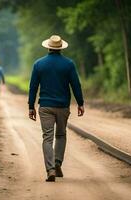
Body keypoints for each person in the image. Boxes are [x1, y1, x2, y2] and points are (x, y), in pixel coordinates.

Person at [28, 35, 85, 182]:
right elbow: (75, 85)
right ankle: (58, 162)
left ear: (48, 47)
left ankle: (50, 170)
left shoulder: (38, 64)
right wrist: (80, 103)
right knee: (60, 135)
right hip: (62, 106)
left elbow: (33, 87)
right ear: (60, 48)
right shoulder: (68, 64)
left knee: (47, 138)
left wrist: (31, 106)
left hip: (45, 106)